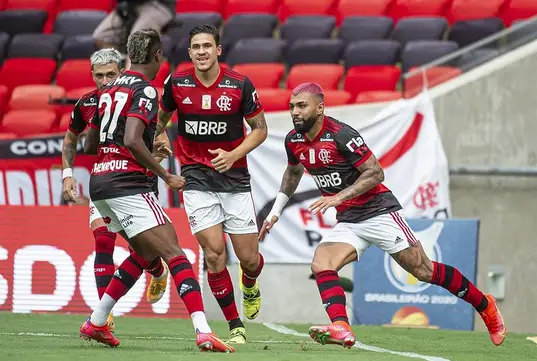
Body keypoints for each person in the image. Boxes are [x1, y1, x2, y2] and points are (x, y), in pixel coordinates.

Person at [259, 82, 507, 348]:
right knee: (322, 262)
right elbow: (293, 172)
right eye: (292, 107)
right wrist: (275, 212)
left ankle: (485, 304)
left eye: (302, 106)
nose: (295, 112)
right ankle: (341, 326)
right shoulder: (293, 140)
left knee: (423, 270)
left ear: (320, 108)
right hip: (349, 221)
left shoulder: (341, 135)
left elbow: (376, 172)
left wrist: (338, 197)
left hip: (379, 211)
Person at [79, 29, 233, 353]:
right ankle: (203, 331)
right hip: (128, 184)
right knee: (176, 253)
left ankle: (96, 321)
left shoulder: (107, 90)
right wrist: (164, 174)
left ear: (129, 56)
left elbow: (90, 142)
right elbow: (133, 139)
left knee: (145, 253)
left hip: (99, 182)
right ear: (158, 57)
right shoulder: (146, 91)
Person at [155, 24, 268, 344]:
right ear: (190, 52)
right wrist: (162, 142)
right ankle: (236, 326)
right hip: (196, 179)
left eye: (207, 45)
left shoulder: (239, 85)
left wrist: (233, 155)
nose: (202, 51)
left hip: (233, 179)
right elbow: (158, 122)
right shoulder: (176, 84)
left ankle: (250, 283)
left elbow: (260, 129)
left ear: (218, 50)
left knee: (248, 258)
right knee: (215, 255)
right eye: (196, 47)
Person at [61, 48, 170, 334]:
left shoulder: (139, 96)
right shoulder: (86, 103)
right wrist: (67, 174)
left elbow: (162, 142)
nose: (105, 80)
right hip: (105, 181)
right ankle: (103, 318)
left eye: (111, 74)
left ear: (121, 71)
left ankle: (157, 269)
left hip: (137, 184)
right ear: (92, 76)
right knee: (103, 241)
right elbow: (71, 140)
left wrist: (157, 156)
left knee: (142, 250)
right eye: (100, 75)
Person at [93, 0, 176, 51]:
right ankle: (120, 64)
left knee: (137, 39)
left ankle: (133, 66)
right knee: (101, 36)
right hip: (130, 3)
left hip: (158, 3)